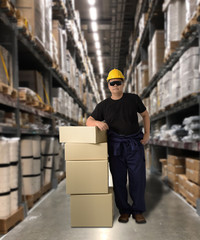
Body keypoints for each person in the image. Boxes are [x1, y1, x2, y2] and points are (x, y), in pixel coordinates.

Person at [86, 69, 150, 224]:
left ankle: (138, 210)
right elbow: (88, 121)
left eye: (118, 82)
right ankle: (124, 211)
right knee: (119, 180)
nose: (115, 85)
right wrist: (97, 122)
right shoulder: (103, 105)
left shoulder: (133, 99)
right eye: (112, 83)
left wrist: (147, 134)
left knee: (138, 179)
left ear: (123, 83)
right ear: (108, 85)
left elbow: (145, 115)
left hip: (134, 144)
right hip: (115, 147)